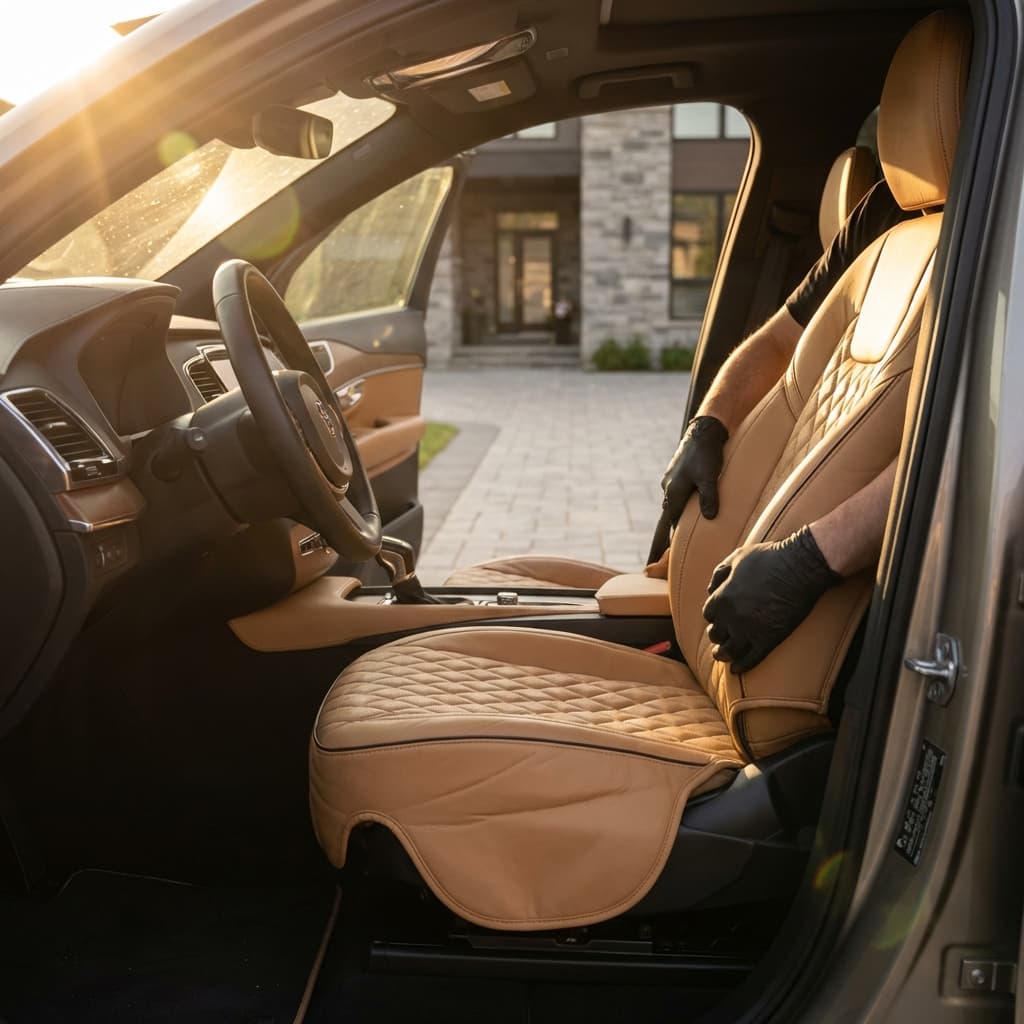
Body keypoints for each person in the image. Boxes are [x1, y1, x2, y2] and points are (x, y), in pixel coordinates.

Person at [659, 178, 909, 672]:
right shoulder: (884, 212)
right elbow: (778, 341)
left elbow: (978, 445)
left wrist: (812, 558)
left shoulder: (1003, 230)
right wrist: (708, 423)